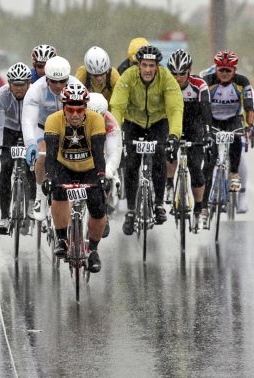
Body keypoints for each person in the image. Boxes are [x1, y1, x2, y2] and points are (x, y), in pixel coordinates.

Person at [109, 45, 184, 235]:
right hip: (133, 122)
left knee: (160, 157)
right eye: (144, 65)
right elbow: (117, 106)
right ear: (138, 65)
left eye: (152, 65)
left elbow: (175, 108)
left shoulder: (166, 78)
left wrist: (174, 136)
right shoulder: (128, 77)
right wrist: (115, 132)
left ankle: (159, 204)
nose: (148, 69)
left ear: (157, 66)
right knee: (132, 164)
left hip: (159, 122)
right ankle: (132, 210)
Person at [42, 83, 107, 273]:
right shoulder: (53, 120)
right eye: (70, 110)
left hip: (90, 168)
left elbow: (98, 152)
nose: (75, 114)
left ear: (86, 108)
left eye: (80, 109)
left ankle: (93, 250)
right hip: (65, 166)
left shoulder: (95, 120)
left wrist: (102, 176)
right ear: (63, 107)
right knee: (58, 191)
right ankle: (61, 239)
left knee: (97, 206)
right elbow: (51, 154)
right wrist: (50, 177)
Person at [23, 56, 83, 222]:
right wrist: (30, 144)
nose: (58, 86)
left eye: (62, 81)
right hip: (42, 127)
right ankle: (40, 199)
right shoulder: (36, 90)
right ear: (46, 78)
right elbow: (28, 121)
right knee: (42, 154)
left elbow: (88, 117)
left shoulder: (77, 86)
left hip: (68, 128)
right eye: (54, 81)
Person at [201, 50, 254, 224]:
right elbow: (200, 107)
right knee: (210, 160)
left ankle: (233, 174)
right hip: (213, 120)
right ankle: (204, 202)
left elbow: (249, 107)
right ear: (216, 69)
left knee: (237, 140)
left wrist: (250, 127)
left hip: (233, 120)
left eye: (228, 71)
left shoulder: (242, 82)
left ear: (235, 70)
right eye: (221, 70)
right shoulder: (207, 82)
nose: (224, 74)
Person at [165, 49, 212, 232]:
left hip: (195, 129)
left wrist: (207, 133)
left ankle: (199, 208)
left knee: (196, 169)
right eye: (173, 74)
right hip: (173, 126)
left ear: (189, 71)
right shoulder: (166, 85)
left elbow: (207, 111)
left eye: (181, 74)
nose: (177, 78)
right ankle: (169, 184)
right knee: (168, 154)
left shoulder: (199, 85)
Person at [0, 62, 34, 233]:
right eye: (15, 84)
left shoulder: (35, 94)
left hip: (30, 129)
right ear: (9, 83)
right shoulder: (2, 95)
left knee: (32, 167)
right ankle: (4, 217)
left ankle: (32, 205)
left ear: (29, 83)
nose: (19, 89)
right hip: (9, 130)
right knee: (6, 166)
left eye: (22, 85)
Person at [86, 92, 122, 238]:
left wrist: (108, 169)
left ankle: (103, 211)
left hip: (103, 152)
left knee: (105, 179)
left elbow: (114, 152)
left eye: (98, 116)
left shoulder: (111, 123)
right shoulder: (76, 116)